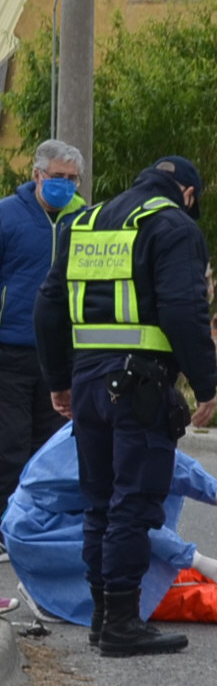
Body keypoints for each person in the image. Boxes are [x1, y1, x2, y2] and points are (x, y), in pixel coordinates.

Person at [34, 155, 217, 658]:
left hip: (89, 382)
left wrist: (58, 378)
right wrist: (206, 383)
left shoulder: (82, 222)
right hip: (141, 386)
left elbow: (48, 304)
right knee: (133, 506)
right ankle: (121, 623)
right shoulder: (172, 226)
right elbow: (184, 308)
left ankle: (101, 617)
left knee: (99, 503)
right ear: (186, 194)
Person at [3, 421, 217, 633]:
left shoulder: (113, 423)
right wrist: (194, 558)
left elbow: (168, 461)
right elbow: (129, 519)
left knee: (138, 551)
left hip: (49, 517)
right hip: (36, 532)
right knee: (124, 547)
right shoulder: (100, 448)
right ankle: (48, 593)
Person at [0, 139, 87, 512]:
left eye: (72, 178)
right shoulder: (7, 216)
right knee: (10, 441)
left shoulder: (84, 221)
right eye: (57, 176)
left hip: (61, 355)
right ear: (37, 175)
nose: (64, 185)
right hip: (10, 350)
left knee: (51, 444)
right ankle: (6, 522)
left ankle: (37, 520)